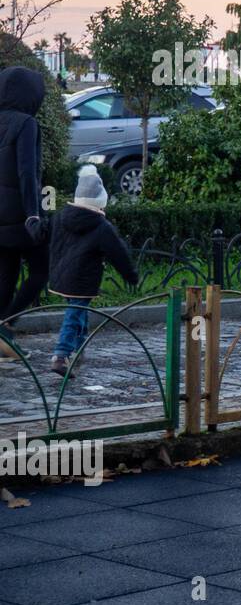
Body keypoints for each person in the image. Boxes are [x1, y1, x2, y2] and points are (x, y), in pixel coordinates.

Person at [48, 165, 139, 376]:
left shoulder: (61, 217)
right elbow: (118, 253)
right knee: (75, 313)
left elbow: (47, 237)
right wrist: (131, 276)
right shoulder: (101, 226)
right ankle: (61, 355)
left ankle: (80, 349)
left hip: (61, 276)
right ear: (100, 200)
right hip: (82, 279)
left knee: (81, 311)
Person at [0, 66, 49, 357]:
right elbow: (27, 172)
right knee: (42, 270)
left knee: (6, 274)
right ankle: (6, 325)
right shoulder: (26, 123)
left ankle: (2, 337)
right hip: (19, 215)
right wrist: (34, 214)